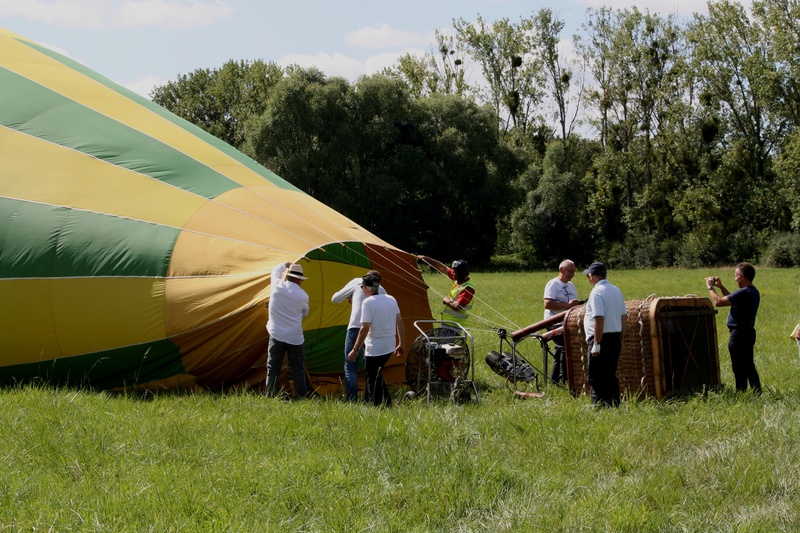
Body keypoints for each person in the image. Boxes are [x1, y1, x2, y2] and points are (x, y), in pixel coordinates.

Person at [348, 272, 405, 406]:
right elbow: (400, 323)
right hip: (389, 346)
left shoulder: (367, 302)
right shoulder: (391, 299)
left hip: (375, 348)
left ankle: (378, 406)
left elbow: (364, 328)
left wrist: (355, 349)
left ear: (365, 288)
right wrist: (401, 343)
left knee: (372, 379)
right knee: (377, 375)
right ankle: (388, 404)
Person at [331, 271, 387, 402]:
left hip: (356, 327)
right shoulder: (382, 290)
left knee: (350, 365)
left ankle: (351, 399)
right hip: (373, 329)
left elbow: (335, 298)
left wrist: (352, 297)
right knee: (371, 366)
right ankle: (369, 398)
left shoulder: (356, 282)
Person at [706, 262, 761, 393]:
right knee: (748, 364)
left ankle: (741, 391)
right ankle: (757, 391)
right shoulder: (751, 291)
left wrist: (710, 288)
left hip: (739, 334)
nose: (735, 278)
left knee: (738, 366)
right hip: (748, 333)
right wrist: (721, 287)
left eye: (736, 275)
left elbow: (718, 302)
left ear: (742, 277)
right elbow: (732, 299)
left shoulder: (744, 292)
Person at [583, 262, 627, 407]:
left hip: (601, 338)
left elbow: (599, 318)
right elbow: (624, 318)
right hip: (615, 337)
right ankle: (614, 404)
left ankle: (598, 406)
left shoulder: (597, 292)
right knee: (610, 374)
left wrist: (596, 343)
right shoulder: (616, 290)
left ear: (592, 276)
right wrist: (620, 337)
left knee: (595, 376)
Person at [265, 262, 310, 399]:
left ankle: (270, 396)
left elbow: (275, 271)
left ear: (287, 277)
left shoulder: (277, 286)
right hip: (295, 338)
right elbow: (305, 313)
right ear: (299, 280)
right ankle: (301, 397)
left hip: (276, 334)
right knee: (298, 370)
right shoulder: (303, 296)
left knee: (273, 369)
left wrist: (285, 264)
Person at [543, 259, 581, 383]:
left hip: (568, 322)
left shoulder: (572, 286)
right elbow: (547, 304)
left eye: (574, 272)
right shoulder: (553, 284)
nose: (572, 275)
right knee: (565, 346)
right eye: (570, 271)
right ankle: (563, 378)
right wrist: (567, 305)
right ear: (561, 270)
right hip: (554, 323)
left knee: (562, 349)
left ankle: (556, 379)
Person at [418, 255, 475, 329]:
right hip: (448, 323)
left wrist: (447, 301)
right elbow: (443, 268)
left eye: (454, 272)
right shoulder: (459, 278)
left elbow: (458, 306)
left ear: (461, 273)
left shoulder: (468, 288)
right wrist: (427, 259)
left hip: (454, 325)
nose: (453, 274)